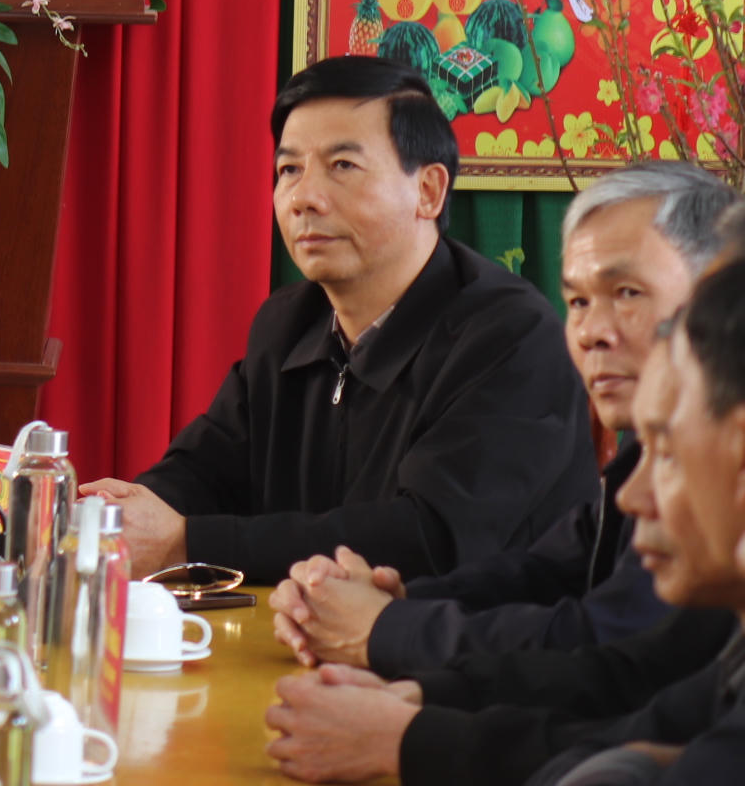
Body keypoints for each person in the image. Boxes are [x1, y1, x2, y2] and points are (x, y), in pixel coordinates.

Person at [81, 56, 598, 582]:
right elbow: (206, 471)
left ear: (428, 191)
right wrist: (127, 516)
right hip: (303, 626)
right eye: (289, 170)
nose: (304, 198)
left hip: (480, 634)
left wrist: (186, 542)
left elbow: (429, 538)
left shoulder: (513, 337)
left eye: (343, 166)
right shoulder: (288, 324)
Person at [264, 254, 745, 785]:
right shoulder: (287, 323)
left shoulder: (508, 333)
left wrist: (398, 694)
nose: (631, 497)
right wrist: (416, 680)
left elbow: (614, 655)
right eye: (578, 301)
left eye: (668, 455)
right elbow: (644, 698)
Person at [273, 161, 736, 675]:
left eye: (627, 292)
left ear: (719, 294)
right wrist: (389, 600)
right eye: (578, 301)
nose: (591, 332)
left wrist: (384, 630)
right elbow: (546, 573)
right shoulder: (643, 459)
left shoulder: (723, 463)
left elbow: (607, 644)